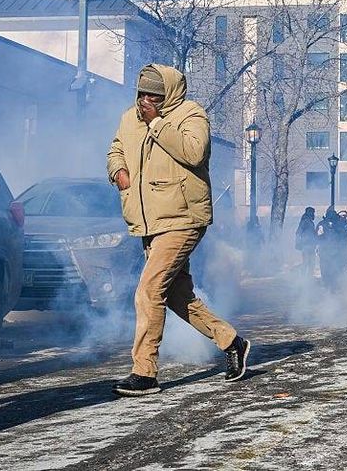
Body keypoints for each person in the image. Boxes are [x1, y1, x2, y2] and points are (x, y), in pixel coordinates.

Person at [106, 64, 250, 396]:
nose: (145, 101)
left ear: (167, 94)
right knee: (175, 295)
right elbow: (115, 149)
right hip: (148, 219)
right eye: (141, 94)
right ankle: (232, 342)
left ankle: (144, 373)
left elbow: (194, 152)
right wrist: (119, 174)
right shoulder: (130, 117)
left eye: (152, 95)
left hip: (183, 217)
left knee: (148, 291)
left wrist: (157, 122)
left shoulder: (191, 114)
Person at [317, 207, 347, 290]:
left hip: (324, 252)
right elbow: (345, 237)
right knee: (337, 270)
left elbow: (317, 237)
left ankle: (327, 287)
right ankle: (336, 288)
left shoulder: (321, 223)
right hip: (337, 252)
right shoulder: (340, 223)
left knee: (326, 270)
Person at [295, 206, 318, 277]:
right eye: (312, 213)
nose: (314, 214)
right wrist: (298, 243)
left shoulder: (309, 221)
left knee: (311, 262)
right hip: (306, 245)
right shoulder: (305, 221)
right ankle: (304, 277)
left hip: (310, 245)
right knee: (307, 262)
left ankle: (308, 277)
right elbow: (298, 232)